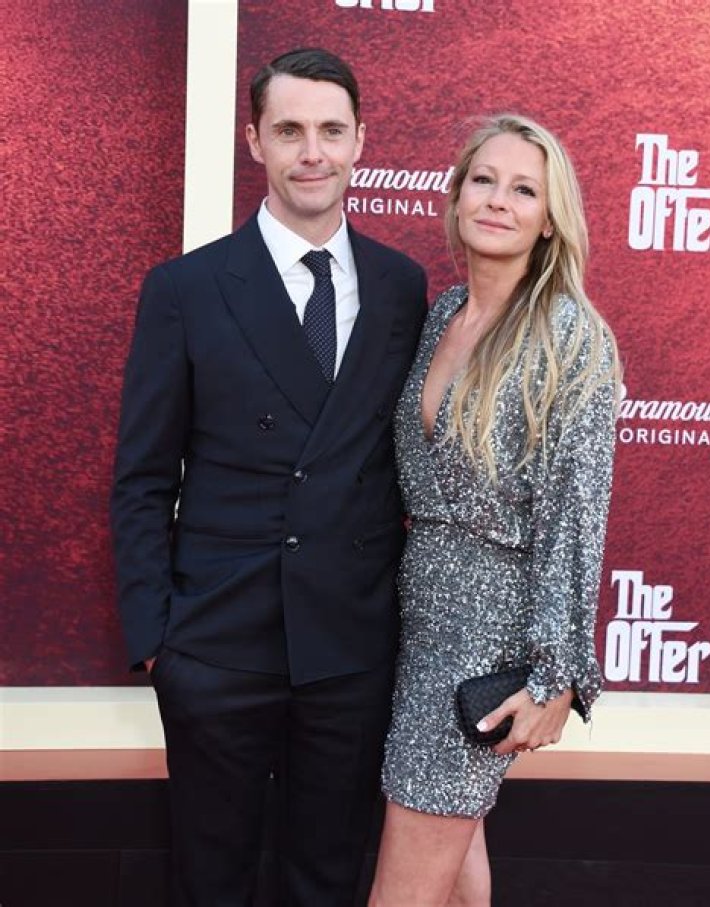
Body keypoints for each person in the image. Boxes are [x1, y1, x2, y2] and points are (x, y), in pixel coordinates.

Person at [110, 47, 427, 907]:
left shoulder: (402, 288)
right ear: (255, 141)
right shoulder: (185, 288)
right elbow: (143, 477)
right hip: (217, 644)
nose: (311, 152)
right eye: (289, 130)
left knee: (326, 879)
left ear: (361, 140)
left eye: (331, 130)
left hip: (350, 648)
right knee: (210, 881)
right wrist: (158, 641)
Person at [369, 113, 620, 907]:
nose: (498, 201)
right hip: (419, 618)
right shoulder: (444, 313)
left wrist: (557, 675)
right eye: (484, 180)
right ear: (456, 197)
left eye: (523, 190)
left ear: (549, 219)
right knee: (454, 870)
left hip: (488, 640)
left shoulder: (570, 337)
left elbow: (574, 520)